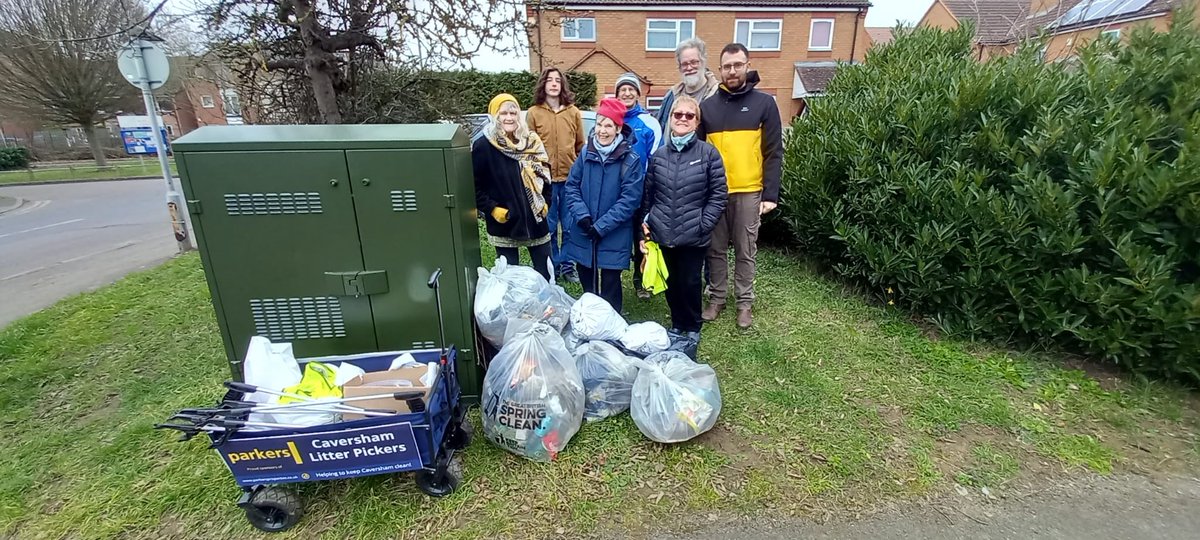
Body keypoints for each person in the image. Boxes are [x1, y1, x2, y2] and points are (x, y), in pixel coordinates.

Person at [697, 43, 782, 329]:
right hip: (715, 192)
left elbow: (774, 151)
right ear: (719, 70)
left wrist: (770, 193)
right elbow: (698, 154)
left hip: (748, 190)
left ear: (747, 65)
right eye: (727, 66)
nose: (732, 71)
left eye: (737, 65)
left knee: (746, 249)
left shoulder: (764, 103)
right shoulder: (706, 108)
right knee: (715, 249)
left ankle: (744, 302)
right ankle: (717, 298)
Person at [641, 95, 726, 344]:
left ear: (696, 122)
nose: (682, 119)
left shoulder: (709, 154)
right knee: (670, 281)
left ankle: (692, 325)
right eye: (678, 115)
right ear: (670, 119)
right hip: (662, 231)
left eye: (689, 115)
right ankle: (677, 323)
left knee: (690, 282)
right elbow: (649, 195)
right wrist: (644, 230)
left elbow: (719, 194)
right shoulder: (659, 156)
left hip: (693, 234)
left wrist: (703, 224)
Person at [563, 98, 645, 312]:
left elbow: (629, 201)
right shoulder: (585, 153)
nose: (602, 130)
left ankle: (610, 325)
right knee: (587, 282)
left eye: (608, 125)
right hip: (584, 228)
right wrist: (582, 216)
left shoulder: (631, 159)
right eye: (599, 124)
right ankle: (589, 321)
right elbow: (571, 186)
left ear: (618, 128)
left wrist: (601, 226)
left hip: (613, 233)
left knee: (610, 284)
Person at [472, 93, 554, 281]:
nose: (509, 118)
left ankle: (546, 307)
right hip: (505, 221)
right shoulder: (483, 146)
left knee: (545, 272)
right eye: (503, 114)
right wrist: (492, 209)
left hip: (536, 219)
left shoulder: (531, 142)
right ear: (495, 116)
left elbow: (545, 175)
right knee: (510, 278)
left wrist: (546, 202)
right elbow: (475, 186)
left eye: (513, 112)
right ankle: (513, 310)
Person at [526, 67, 586, 284]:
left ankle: (568, 267)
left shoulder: (573, 112)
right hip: (545, 182)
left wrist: (580, 173)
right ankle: (552, 266)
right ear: (543, 84)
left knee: (570, 227)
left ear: (562, 85)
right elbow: (528, 148)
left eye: (557, 80)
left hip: (570, 180)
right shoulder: (533, 113)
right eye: (549, 80)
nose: (553, 84)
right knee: (549, 227)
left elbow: (581, 145)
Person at [613, 72, 662, 300]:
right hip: (616, 190)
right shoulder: (612, 121)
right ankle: (612, 275)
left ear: (638, 94)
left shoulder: (649, 122)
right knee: (617, 233)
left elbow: (657, 157)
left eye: (631, 89)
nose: (627, 92)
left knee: (641, 235)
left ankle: (642, 281)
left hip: (642, 189)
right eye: (622, 89)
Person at [654, 38, 721, 130]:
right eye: (684, 64)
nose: (689, 67)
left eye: (694, 62)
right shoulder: (671, 96)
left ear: (703, 62)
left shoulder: (718, 94)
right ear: (680, 67)